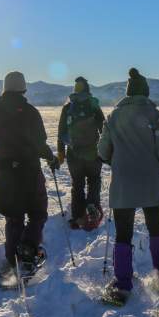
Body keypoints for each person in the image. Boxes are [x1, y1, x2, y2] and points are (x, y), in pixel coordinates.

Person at [97, 68, 159, 304]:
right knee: (155, 228)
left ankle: (122, 284)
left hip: (123, 183)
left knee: (123, 234)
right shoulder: (155, 116)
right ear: (146, 92)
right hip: (151, 181)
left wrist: (117, 162)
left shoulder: (113, 117)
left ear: (127, 93)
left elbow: (101, 152)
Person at [0, 71, 59, 274]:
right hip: (30, 171)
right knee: (37, 213)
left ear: (5, 88)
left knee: (13, 216)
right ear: (23, 89)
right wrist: (51, 158)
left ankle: (13, 261)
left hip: (6, 173)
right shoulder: (31, 112)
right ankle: (28, 249)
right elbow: (40, 143)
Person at [57, 76, 105, 230]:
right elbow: (104, 129)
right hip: (93, 153)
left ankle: (78, 217)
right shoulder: (93, 105)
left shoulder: (68, 107)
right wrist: (107, 150)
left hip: (74, 154)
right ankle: (92, 206)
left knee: (77, 185)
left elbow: (61, 132)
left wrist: (60, 153)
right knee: (94, 181)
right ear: (88, 89)